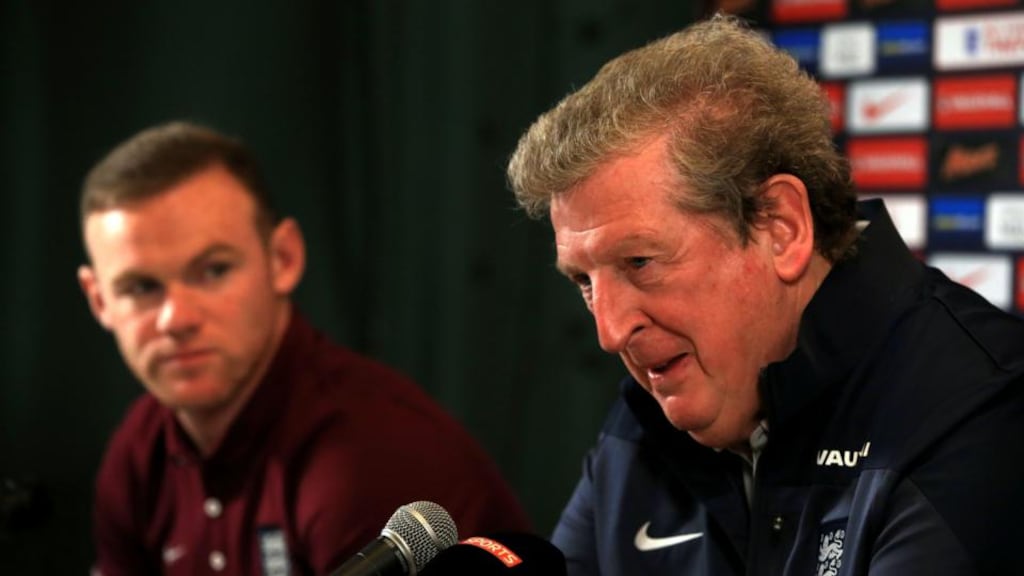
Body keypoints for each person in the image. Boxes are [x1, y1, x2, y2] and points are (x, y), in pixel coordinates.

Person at [506, 13, 1024, 576]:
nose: (610, 332)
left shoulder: (978, 412)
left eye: (640, 262)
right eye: (584, 282)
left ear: (782, 228)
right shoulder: (644, 425)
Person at [78, 121, 531, 576]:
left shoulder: (369, 456)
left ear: (284, 259)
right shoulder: (139, 451)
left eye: (213, 271)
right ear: (99, 300)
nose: (175, 318)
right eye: (140, 287)